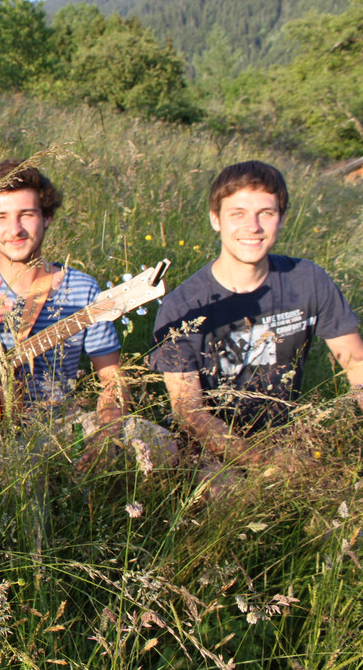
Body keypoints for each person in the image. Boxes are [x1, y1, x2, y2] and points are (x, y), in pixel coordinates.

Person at [0, 160, 137, 468]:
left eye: (27, 214)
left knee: (158, 444)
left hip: (59, 424)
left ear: (47, 217)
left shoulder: (82, 288)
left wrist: (107, 432)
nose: (15, 229)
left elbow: (111, 378)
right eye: (1, 217)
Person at [150, 160, 363, 468]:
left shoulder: (308, 279)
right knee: (222, 489)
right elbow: (189, 413)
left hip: (288, 440)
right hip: (209, 449)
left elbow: (357, 365)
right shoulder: (182, 306)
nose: (253, 226)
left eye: (266, 213)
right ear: (215, 219)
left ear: (282, 219)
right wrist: (265, 462)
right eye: (237, 214)